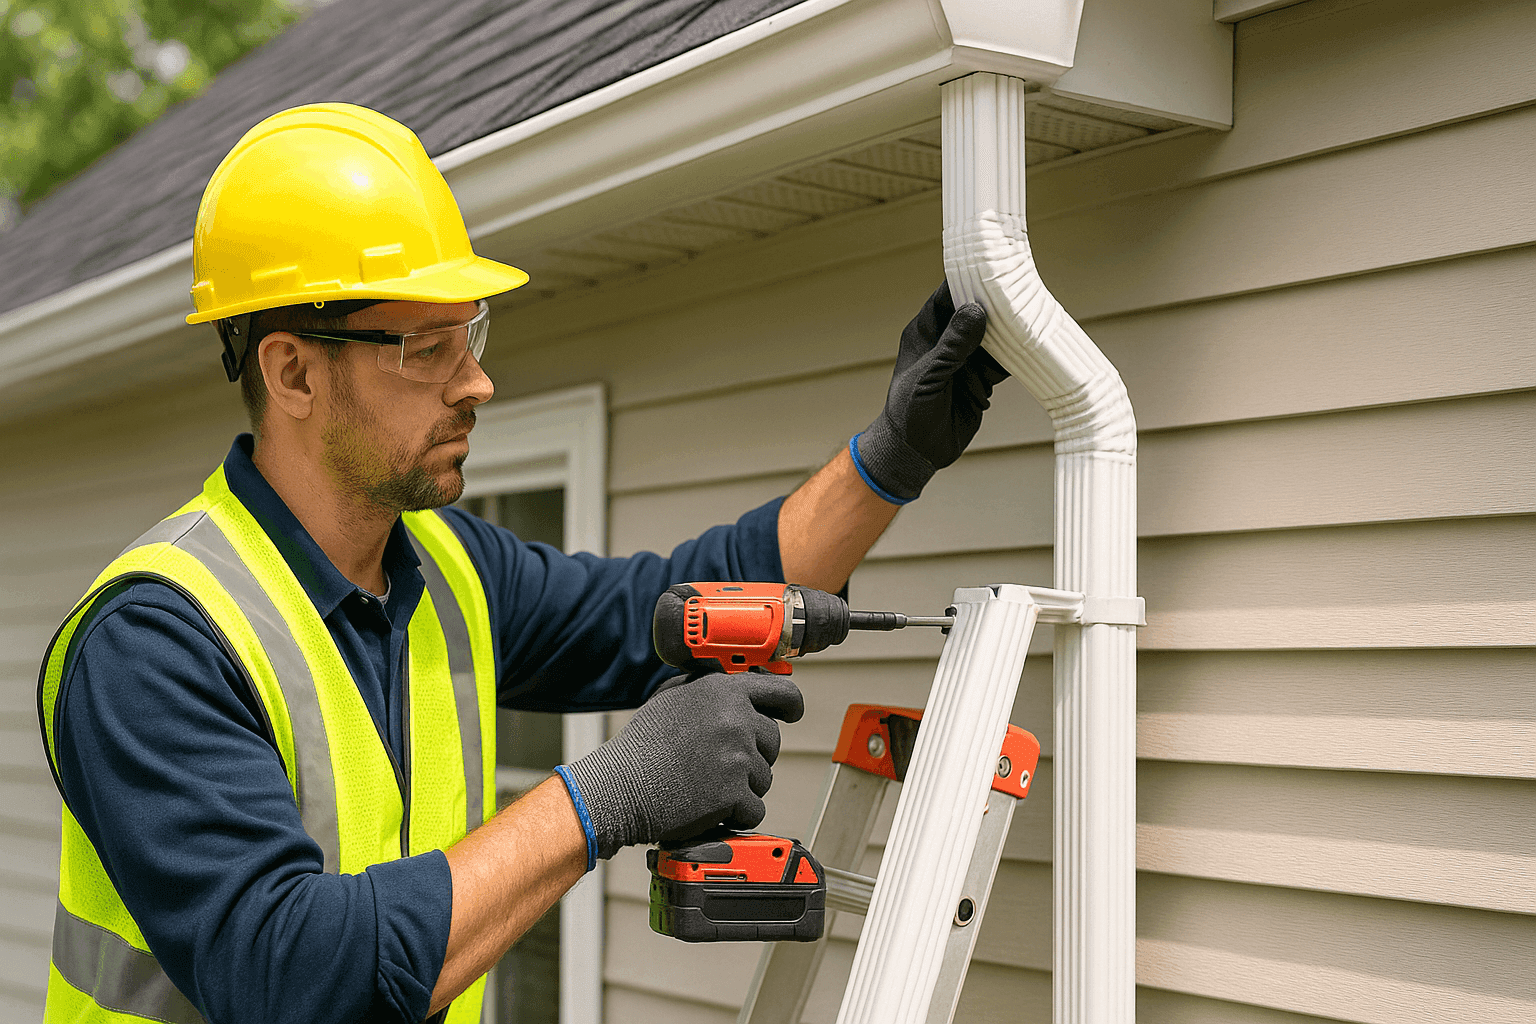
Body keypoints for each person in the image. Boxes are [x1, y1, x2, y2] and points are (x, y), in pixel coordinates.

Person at [37, 103, 1007, 1024]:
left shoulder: (454, 573)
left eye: (473, 334)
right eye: (425, 346)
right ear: (292, 370)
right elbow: (292, 975)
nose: (477, 382)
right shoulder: (154, 637)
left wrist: (887, 460)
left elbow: (693, 601)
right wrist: (608, 794)